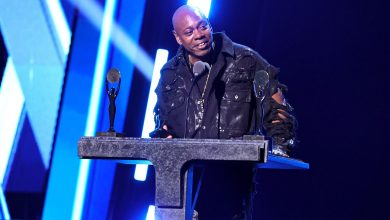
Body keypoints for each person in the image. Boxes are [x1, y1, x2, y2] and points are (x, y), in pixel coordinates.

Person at [151, 5, 297, 219]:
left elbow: (277, 105)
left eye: (202, 27)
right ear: (178, 38)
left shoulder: (245, 61)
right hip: (181, 183)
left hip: (229, 183)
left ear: (210, 25)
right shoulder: (170, 73)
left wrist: (282, 144)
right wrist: (163, 134)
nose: (199, 35)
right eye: (189, 32)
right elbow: (162, 119)